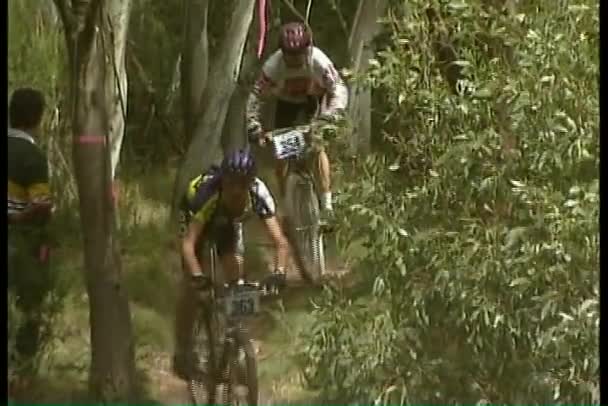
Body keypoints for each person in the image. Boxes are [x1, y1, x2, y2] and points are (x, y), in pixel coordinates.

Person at [172, 149, 290, 380]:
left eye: (242, 185)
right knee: (192, 287)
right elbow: (187, 245)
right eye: (231, 184)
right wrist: (197, 277)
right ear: (223, 181)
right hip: (195, 214)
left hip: (227, 223)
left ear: (250, 183)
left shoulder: (258, 193)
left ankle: (236, 341)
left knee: (238, 282)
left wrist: (280, 273)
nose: (236, 190)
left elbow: (281, 242)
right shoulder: (208, 194)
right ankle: (183, 350)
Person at [246, 21, 349, 225]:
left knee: (316, 147)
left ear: (307, 50)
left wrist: (330, 115)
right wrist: (254, 127)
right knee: (282, 153)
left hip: (314, 106)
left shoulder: (319, 61)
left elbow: (338, 89)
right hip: (286, 108)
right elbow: (255, 98)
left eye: (298, 56)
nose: (293, 61)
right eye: (288, 57)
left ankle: (327, 206)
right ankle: (287, 208)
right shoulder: (273, 66)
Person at [7, 87, 54, 364]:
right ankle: (21, 372)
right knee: (27, 307)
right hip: (21, 243)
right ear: (38, 118)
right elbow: (39, 205)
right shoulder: (32, 156)